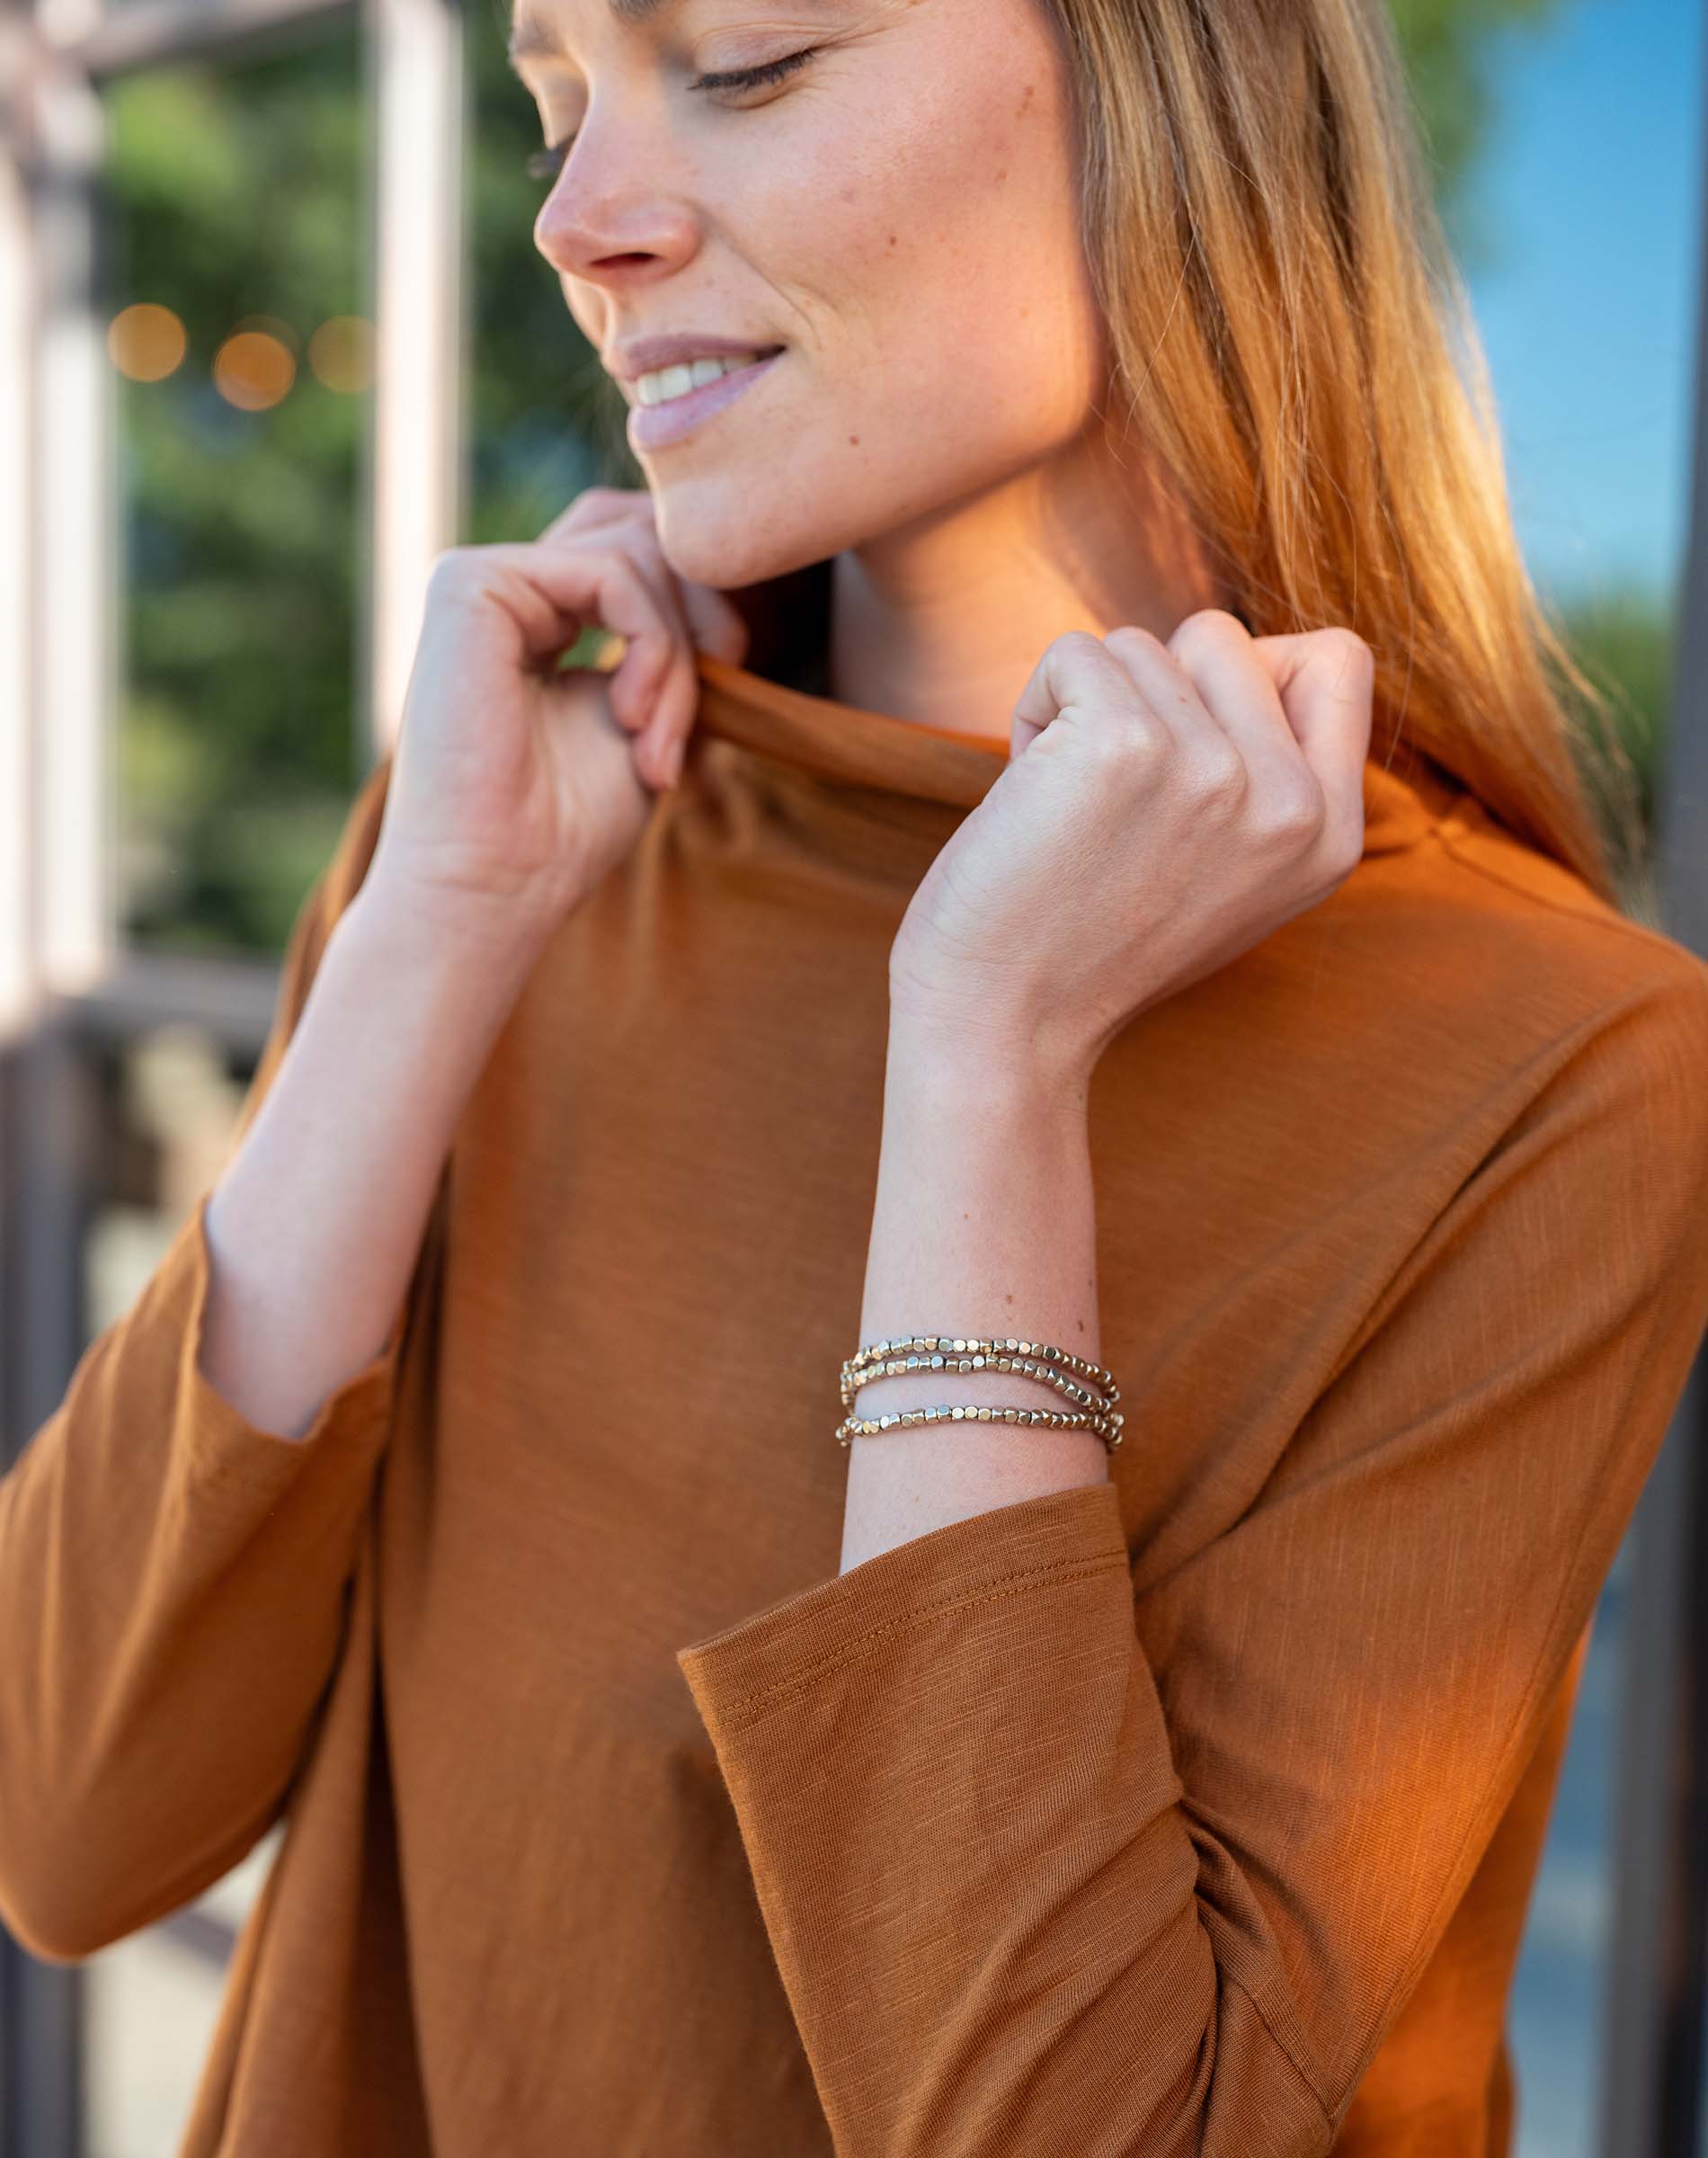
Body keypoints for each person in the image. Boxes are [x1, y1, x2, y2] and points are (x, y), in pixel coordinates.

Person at [4, 0, 1706, 2150]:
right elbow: (62, 1818)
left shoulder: (1548, 1059)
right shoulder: (524, 831)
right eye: (552, 109)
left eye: (746, 62)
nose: (576, 221)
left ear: (1173, 87)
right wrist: (431, 923)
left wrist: (990, 1057)